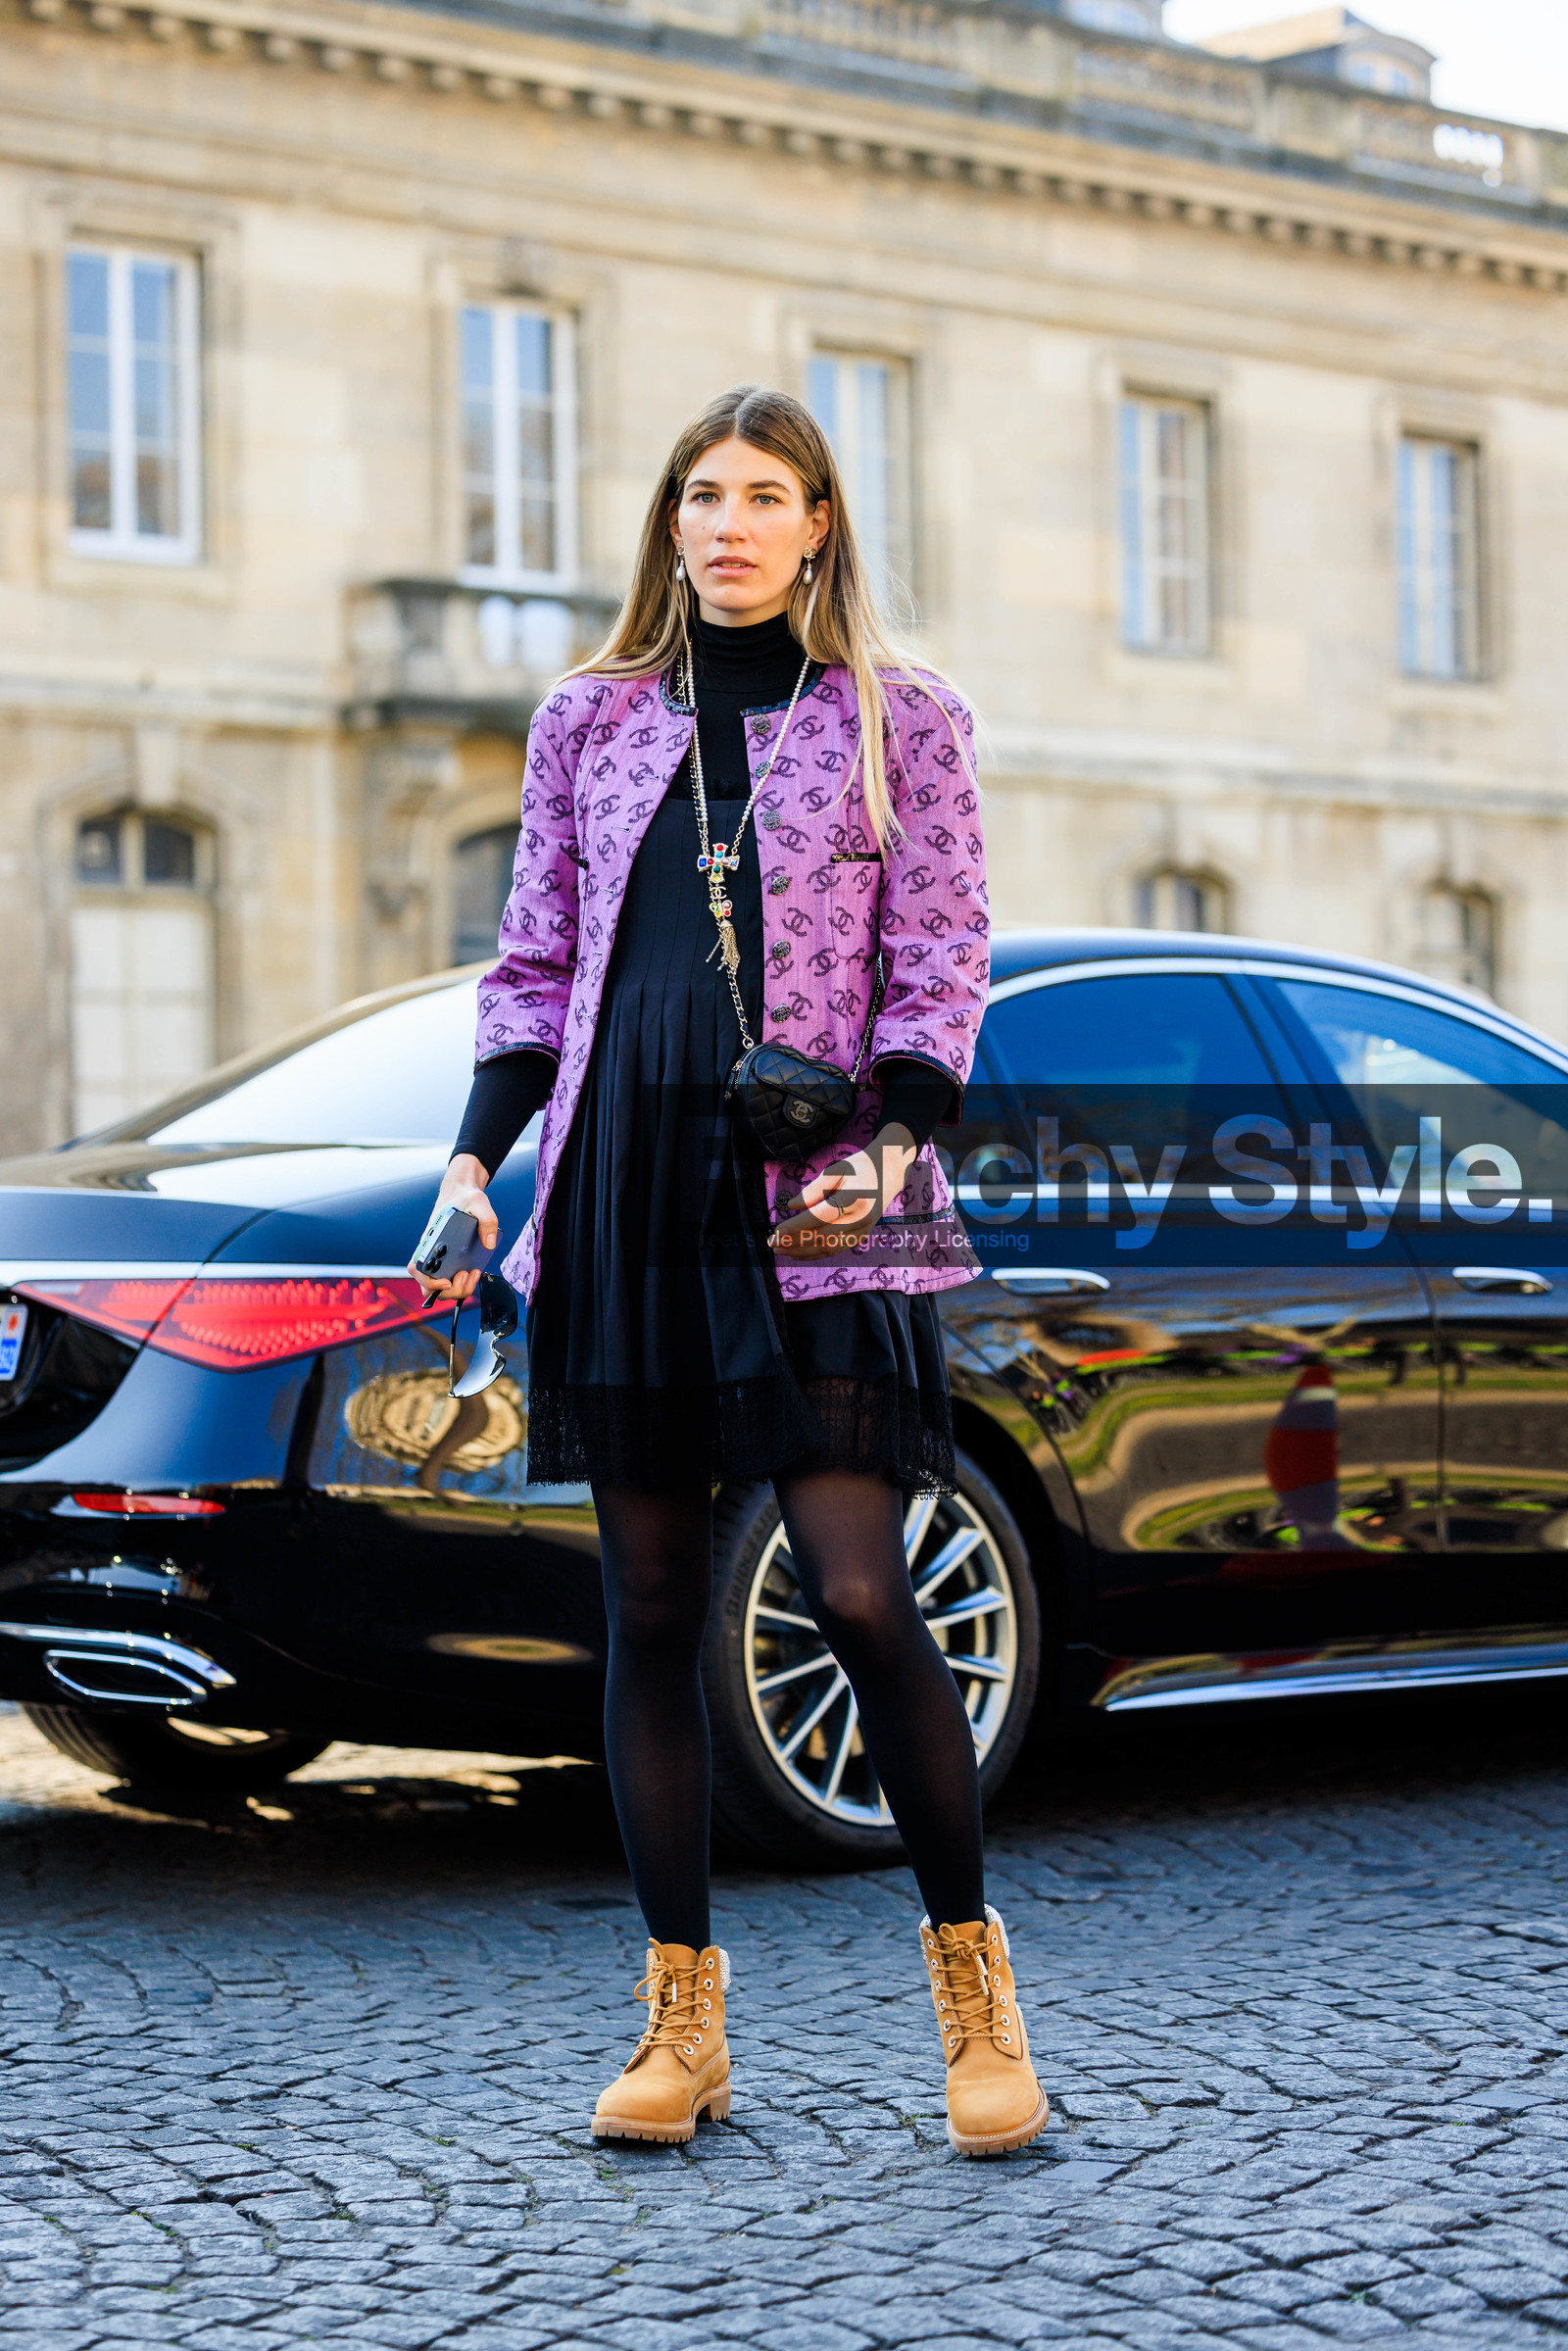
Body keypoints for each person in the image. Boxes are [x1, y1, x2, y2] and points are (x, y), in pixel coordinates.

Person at [412, 385, 1045, 2158]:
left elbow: (943, 963)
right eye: (705, 495)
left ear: (820, 524)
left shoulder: (901, 720)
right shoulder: (589, 720)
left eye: (769, 496)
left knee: (856, 1589)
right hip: (621, 1166)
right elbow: (532, 965)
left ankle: (975, 1999)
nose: (733, 525)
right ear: (669, 525)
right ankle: (680, 2023)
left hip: (840, 1177)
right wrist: (479, 1151)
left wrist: (894, 1131)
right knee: (654, 1608)